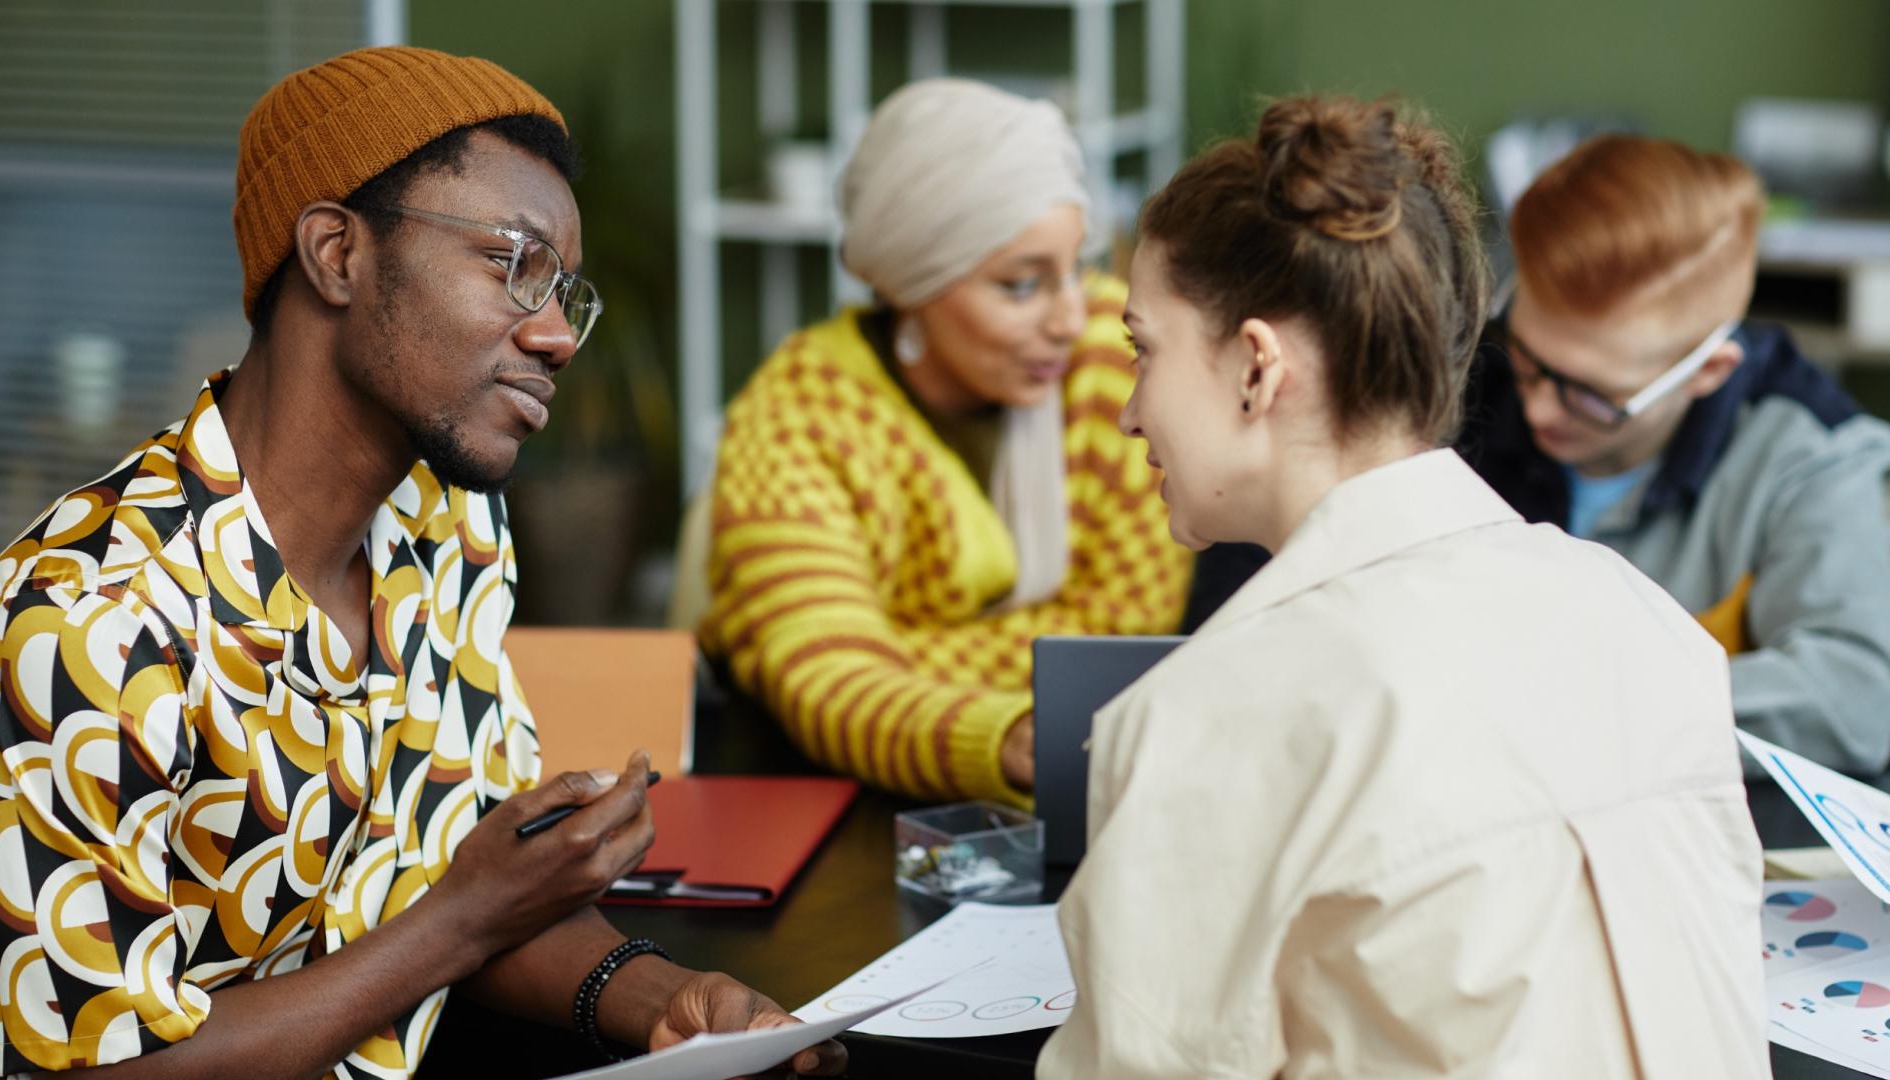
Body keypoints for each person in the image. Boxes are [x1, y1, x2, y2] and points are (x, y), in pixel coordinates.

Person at [0, 47, 842, 1079]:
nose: (559, 335)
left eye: (566, 292)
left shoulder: (446, 529)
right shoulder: (86, 623)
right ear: (338, 254)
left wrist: (664, 1000)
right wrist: (460, 920)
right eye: (514, 263)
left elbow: (472, 887)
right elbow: (88, 1073)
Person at [1039, 97, 1765, 1077]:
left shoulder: (1208, 719)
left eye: (1142, 349)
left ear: (1257, 368)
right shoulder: (1646, 622)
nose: (1129, 413)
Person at [700, 79, 1190, 804]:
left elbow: (1125, 632)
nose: (1068, 316)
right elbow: (827, 685)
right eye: (1022, 286)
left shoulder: (1113, 357)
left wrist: (884, 654)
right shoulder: (798, 417)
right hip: (847, 804)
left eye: (1076, 268)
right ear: (913, 282)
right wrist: (1002, 732)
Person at [1460, 134, 1890, 777]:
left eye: (1591, 393)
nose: (1541, 408)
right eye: (1529, 360)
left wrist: (1603, 706)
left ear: (1708, 371)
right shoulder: (1463, 398)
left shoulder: (1814, 457)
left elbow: (1855, 701)